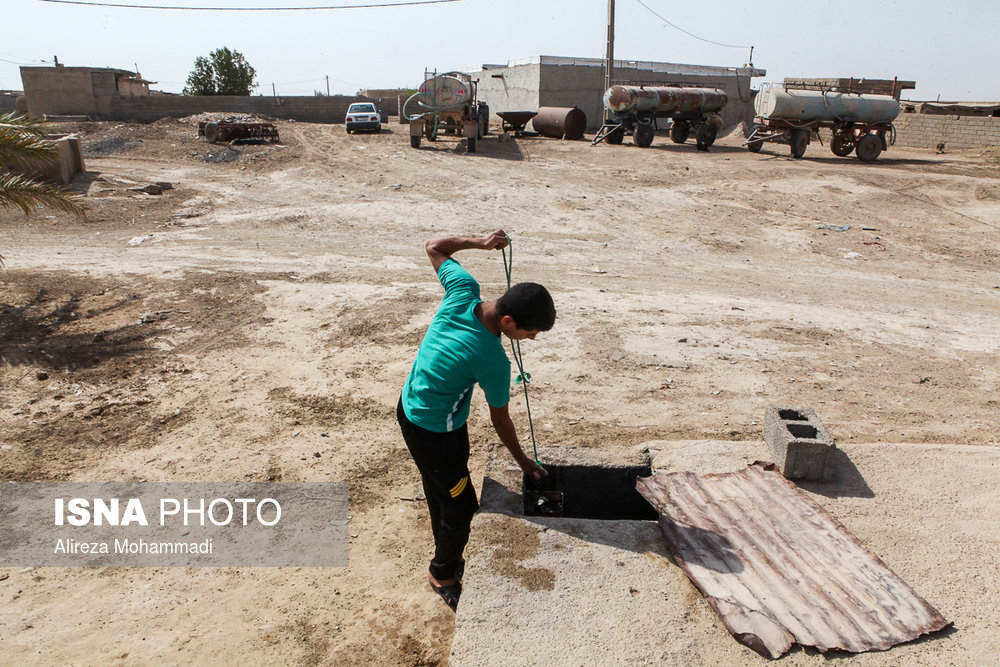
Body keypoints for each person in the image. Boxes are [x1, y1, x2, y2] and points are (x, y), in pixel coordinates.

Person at [397, 229, 555, 611]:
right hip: (431, 429)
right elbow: (501, 421)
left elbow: (434, 246)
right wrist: (524, 463)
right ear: (507, 319)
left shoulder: (463, 289)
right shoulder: (493, 361)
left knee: (444, 485)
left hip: (412, 405)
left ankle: (444, 543)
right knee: (461, 506)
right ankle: (442, 573)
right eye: (529, 332)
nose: (531, 339)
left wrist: (482, 243)